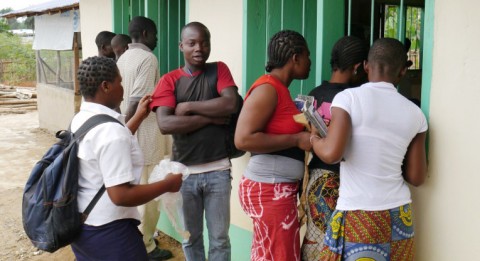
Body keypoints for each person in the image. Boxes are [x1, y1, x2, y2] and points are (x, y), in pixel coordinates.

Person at [311, 38, 428, 260]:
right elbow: (417, 176)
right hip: (399, 214)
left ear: (366, 66)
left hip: (358, 212)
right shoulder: (416, 114)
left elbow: (332, 153)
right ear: (402, 72)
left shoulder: (348, 98)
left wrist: (315, 139)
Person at [70, 56, 183, 261]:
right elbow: (121, 195)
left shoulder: (82, 119)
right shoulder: (111, 132)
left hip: (83, 225)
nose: (122, 88)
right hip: (110, 231)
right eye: (119, 82)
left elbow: (108, 148)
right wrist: (167, 184)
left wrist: (138, 116)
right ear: (105, 86)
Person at [150, 21, 238, 261]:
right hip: (184, 174)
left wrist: (187, 107)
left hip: (218, 170)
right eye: (192, 43)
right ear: (181, 46)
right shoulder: (169, 80)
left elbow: (230, 104)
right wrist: (211, 118)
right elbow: (165, 124)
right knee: (191, 238)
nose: (199, 48)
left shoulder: (219, 70)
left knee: (220, 239)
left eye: (204, 42)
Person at [234, 30, 312, 261]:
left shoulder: (280, 90)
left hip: (274, 189)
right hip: (270, 190)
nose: (310, 62)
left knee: (268, 254)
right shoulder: (268, 89)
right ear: (295, 58)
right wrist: (297, 139)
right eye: (308, 56)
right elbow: (243, 139)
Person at [301, 35, 369, 261]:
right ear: (359, 67)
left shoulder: (314, 94)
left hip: (316, 177)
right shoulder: (355, 98)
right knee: (342, 247)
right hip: (344, 180)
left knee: (317, 242)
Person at [116, 16, 173, 261]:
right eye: (156, 33)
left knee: (136, 188)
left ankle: (139, 238)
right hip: (143, 135)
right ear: (146, 33)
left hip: (129, 132)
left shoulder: (123, 57)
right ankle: (146, 245)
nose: (157, 38)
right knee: (149, 193)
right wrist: (126, 132)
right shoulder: (148, 59)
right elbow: (135, 101)